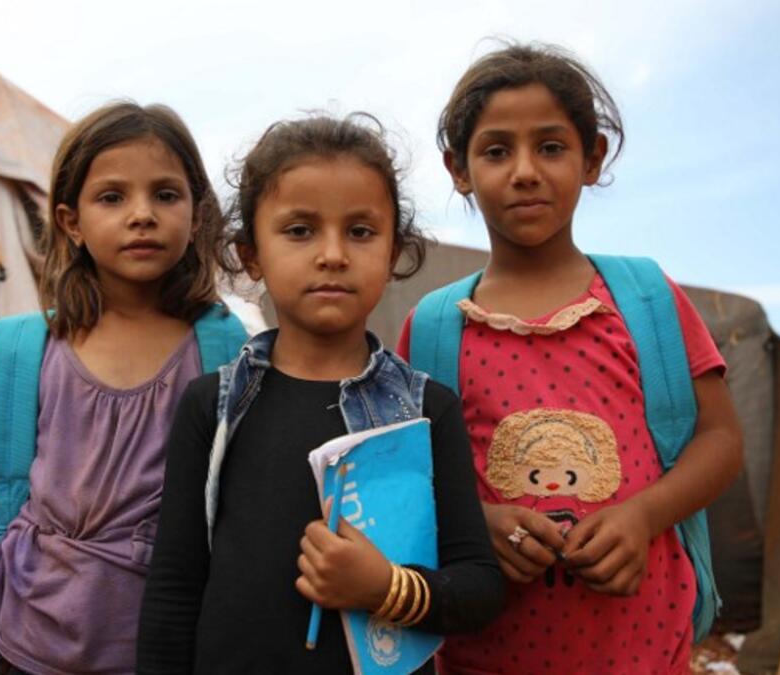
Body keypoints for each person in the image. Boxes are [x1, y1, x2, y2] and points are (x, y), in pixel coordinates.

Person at [397, 42, 744, 674]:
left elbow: (719, 439)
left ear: (592, 158)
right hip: (486, 657)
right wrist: (477, 521)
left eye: (551, 147)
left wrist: (644, 515)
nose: (525, 171)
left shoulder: (644, 298)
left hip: (644, 651)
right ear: (459, 168)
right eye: (497, 150)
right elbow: (407, 481)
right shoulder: (434, 329)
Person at [137, 114, 505, 674]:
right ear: (251, 253)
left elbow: (478, 586)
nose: (332, 254)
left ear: (393, 251)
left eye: (360, 231)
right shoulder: (211, 407)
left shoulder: (427, 412)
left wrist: (385, 588)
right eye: (300, 230)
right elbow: (174, 590)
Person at [0, 101, 248, 675]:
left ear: (197, 211)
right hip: (24, 647)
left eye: (166, 194)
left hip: (165, 649)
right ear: (71, 222)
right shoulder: (25, 353)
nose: (142, 214)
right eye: (112, 197)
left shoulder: (224, 352)